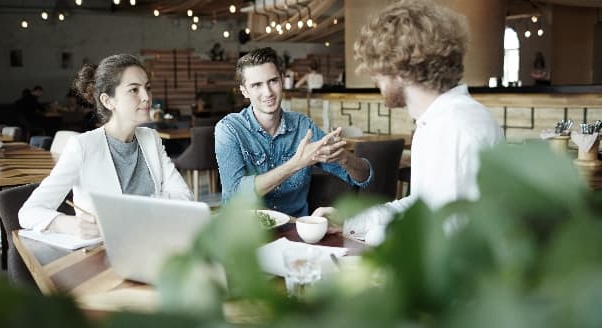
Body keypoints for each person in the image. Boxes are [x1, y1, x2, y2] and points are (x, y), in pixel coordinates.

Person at [313, 0, 503, 244]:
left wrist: (373, 235)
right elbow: (419, 206)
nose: (376, 83)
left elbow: (447, 236)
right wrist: (350, 222)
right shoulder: (435, 121)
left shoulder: (455, 128)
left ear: (401, 71)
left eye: (378, 73)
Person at [19, 54, 191, 238]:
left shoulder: (151, 138)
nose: (146, 97)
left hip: (153, 241)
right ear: (108, 101)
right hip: (104, 254)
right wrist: (68, 225)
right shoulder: (82, 146)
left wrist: (139, 212)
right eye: (134, 90)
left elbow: (184, 197)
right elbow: (29, 212)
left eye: (147, 88)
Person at [215, 47, 373, 217]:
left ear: (282, 81)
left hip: (294, 232)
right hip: (244, 233)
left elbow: (362, 179)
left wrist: (344, 157)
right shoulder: (229, 129)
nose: (267, 92)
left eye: (273, 81)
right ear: (245, 91)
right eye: (257, 85)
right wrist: (297, 163)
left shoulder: (303, 127)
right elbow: (234, 194)